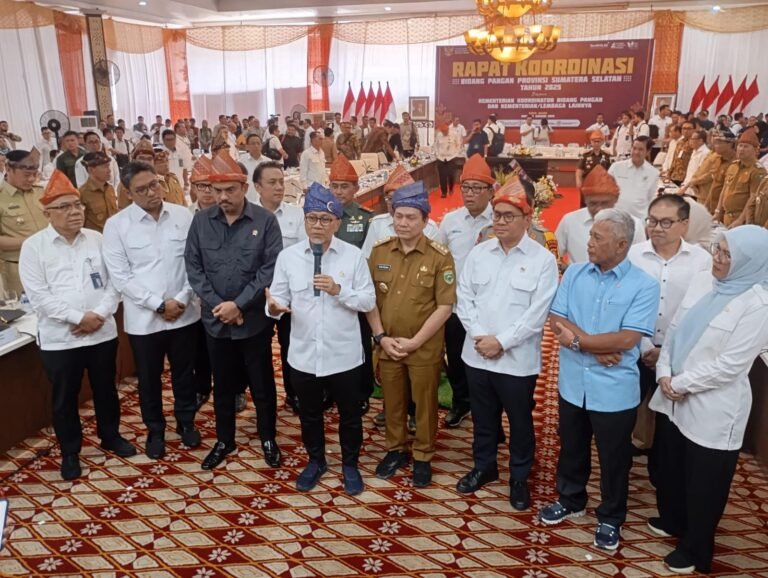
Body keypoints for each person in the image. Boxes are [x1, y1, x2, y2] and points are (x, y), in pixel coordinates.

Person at [649, 226, 768, 574]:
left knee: (705, 482)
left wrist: (681, 383)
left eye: (728, 255)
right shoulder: (705, 280)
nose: (717, 258)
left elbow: (730, 365)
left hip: (714, 407)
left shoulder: (758, 304)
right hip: (674, 392)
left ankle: (696, 548)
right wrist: (665, 371)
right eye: (718, 249)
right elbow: (675, 328)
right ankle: (672, 520)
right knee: (671, 466)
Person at [539, 208, 660, 551]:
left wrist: (578, 342)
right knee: (572, 448)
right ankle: (571, 498)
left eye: (597, 238)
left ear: (621, 245)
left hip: (614, 390)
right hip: (573, 384)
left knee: (613, 458)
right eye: (590, 235)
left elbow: (626, 340)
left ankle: (610, 516)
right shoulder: (575, 273)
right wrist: (591, 346)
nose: (588, 243)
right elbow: (556, 319)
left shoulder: (644, 285)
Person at [18, 171, 136, 480]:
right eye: (66, 207)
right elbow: (39, 297)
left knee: (106, 389)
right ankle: (70, 452)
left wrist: (97, 315)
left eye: (78, 205)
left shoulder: (97, 240)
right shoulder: (34, 247)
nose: (75, 212)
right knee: (64, 397)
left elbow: (115, 283)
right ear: (48, 213)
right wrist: (77, 319)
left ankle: (110, 436)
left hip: (101, 332)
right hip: (62, 339)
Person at [455, 177, 558, 510]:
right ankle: (484, 467)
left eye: (507, 216)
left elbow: (537, 313)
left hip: (517, 361)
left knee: (520, 421)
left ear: (527, 220)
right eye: (496, 215)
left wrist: (501, 342)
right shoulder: (478, 254)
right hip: (476, 354)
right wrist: (480, 338)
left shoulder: (543, 260)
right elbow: (464, 299)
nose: (499, 221)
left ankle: (518, 476)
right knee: (483, 419)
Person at [266, 183, 375, 495]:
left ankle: (350, 464)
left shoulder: (353, 258)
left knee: (350, 416)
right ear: (304, 220)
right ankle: (316, 461)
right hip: (303, 352)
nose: (317, 225)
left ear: (337, 223)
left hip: (344, 353)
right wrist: (273, 307)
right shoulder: (287, 258)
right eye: (311, 218)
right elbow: (277, 299)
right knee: (309, 414)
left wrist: (340, 291)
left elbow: (368, 302)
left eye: (325, 220)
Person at [185, 152, 283, 470]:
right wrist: (221, 307)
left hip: (253, 321)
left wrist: (239, 305)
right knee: (223, 384)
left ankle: (268, 436)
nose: (223, 197)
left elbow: (269, 269)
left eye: (230, 190)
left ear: (244, 188)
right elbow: (194, 268)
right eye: (218, 191)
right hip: (216, 322)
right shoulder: (201, 221)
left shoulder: (265, 221)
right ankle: (224, 440)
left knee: (262, 382)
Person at [102, 161, 202, 460]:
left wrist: (181, 299)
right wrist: (157, 304)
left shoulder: (183, 216)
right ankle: (155, 429)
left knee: (185, 373)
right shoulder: (117, 226)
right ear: (129, 193)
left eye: (154, 185)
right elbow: (120, 276)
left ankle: (186, 422)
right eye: (142, 189)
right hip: (145, 319)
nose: (151, 193)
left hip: (184, 312)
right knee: (149, 377)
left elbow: (194, 264)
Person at [366, 181, 456, 488]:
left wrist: (417, 341)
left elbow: (445, 305)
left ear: (425, 221)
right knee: (392, 401)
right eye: (399, 216)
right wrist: (380, 337)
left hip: (424, 347)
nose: (403, 223)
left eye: (411, 217)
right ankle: (396, 449)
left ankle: (423, 455)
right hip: (388, 344)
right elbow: (370, 301)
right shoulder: (379, 252)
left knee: (425, 402)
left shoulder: (439, 256)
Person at [627, 195, 712, 453]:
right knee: (628, 412)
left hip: (679, 353)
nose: (657, 228)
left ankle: (660, 474)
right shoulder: (633, 255)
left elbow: (700, 313)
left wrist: (665, 353)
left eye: (666, 222)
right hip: (635, 347)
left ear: (684, 225)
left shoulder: (701, 261)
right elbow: (624, 305)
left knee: (669, 423)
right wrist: (645, 347)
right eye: (652, 221)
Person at [436, 154, 494, 428]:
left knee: (489, 360)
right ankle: (461, 402)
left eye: (476, 188)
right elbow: (439, 257)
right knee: (457, 357)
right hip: (456, 305)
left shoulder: (500, 218)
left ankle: (490, 411)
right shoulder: (450, 221)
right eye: (465, 187)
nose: (469, 194)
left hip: (490, 305)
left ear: (490, 191)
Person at [254, 161, 307, 412]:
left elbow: (303, 254)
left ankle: (294, 393)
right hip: (255, 293)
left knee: (290, 345)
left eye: (281, 182)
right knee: (257, 349)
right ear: (257, 187)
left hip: (289, 294)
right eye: (272, 182)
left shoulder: (296, 214)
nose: (279, 187)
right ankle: (262, 399)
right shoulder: (249, 216)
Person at [556, 165, 646, 265]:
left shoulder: (634, 225)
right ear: (585, 200)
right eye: (593, 204)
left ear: (616, 199)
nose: (599, 209)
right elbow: (553, 256)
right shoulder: (570, 221)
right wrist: (570, 272)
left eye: (605, 203)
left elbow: (641, 262)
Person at [362, 166, 439, 257]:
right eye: (390, 199)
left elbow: (436, 262)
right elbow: (367, 257)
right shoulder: (377, 223)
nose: (393, 204)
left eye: (399, 200)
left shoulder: (429, 227)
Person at [0, 148, 47, 294]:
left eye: (34, 174)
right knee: (26, 314)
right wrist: (31, 242)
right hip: (18, 268)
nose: (31, 179)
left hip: (51, 264)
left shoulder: (41, 193)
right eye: (26, 175)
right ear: (8, 169)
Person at [715, 130, 767, 227]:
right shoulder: (733, 166)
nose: (741, 149)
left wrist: (740, 219)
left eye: (746, 147)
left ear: (756, 150)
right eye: (740, 145)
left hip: (741, 220)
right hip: (726, 217)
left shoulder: (758, 171)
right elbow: (725, 189)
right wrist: (718, 211)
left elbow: (753, 199)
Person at [610, 136, 659, 220]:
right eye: (634, 148)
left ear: (648, 151)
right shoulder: (616, 167)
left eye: (641, 149)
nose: (636, 152)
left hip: (639, 220)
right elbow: (605, 192)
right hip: (615, 218)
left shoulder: (653, 173)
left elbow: (650, 199)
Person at [78, 151, 119, 233]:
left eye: (109, 166)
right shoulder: (82, 194)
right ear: (91, 170)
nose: (109, 170)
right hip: (95, 241)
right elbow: (80, 224)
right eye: (105, 167)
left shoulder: (109, 189)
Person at [240, 133, 268, 203]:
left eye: (258, 143)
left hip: (264, 198)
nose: (256, 146)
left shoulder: (268, 162)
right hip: (247, 197)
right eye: (253, 143)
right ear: (247, 146)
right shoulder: (241, 161)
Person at [435, 124, 460, 198]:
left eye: (445, 131)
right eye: (442, 131)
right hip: (441, 158)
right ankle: (444, 192)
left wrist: (456, 154)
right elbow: (436, 146)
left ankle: (451, 188)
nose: (444, 133)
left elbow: (458, 144)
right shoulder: (439, 135)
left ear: (448, 129)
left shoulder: (454, 134)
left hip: (451, 158)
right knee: (442, 176)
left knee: (451, 175)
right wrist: (437, 154)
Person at [668, 121, 695, 186]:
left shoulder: (694, 143)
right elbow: (675, 158)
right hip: (675, 175)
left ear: (694, 130)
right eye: (684, 128)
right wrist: (669, 173)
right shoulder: (680, 142)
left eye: (689, 129)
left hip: (686, 177)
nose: (686, 131)